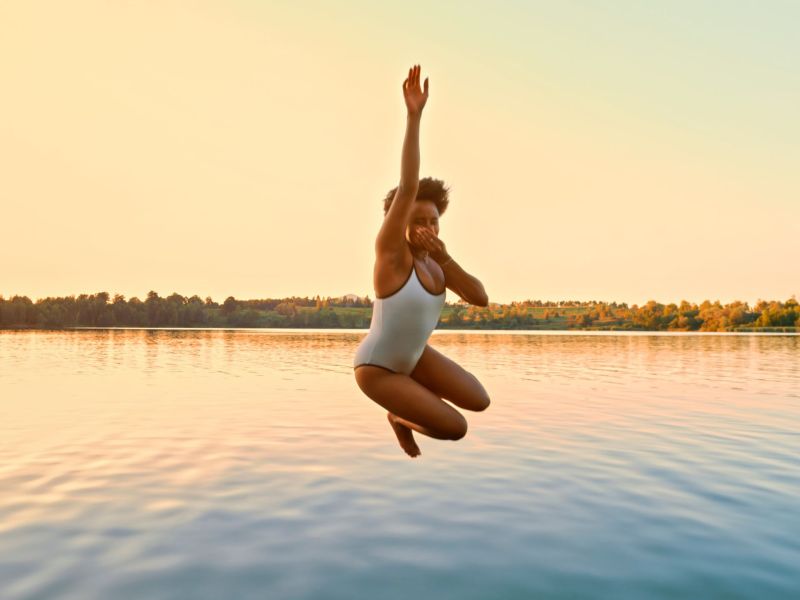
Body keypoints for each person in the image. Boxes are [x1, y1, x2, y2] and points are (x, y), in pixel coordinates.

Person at [353, 64, 491, 458]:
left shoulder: (437, 264)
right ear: (399, 222)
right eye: (417, 220)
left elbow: (480, 298)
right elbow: (410, 184)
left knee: (479, 400)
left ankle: (408, 399)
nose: (428, 227)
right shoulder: (392, 254)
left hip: (413, 358)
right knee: (455, 427)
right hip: (377, 369)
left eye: (433, 220)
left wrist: (447, 260)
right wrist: (414, 117)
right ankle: (400, 417)